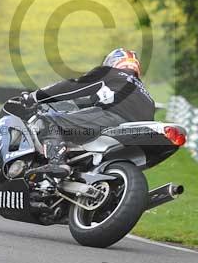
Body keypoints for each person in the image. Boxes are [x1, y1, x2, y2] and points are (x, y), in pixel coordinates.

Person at [20, 48, 155, 177]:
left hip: (112, 120)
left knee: (48, 120)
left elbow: (73, 87)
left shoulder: (110, 73)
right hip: (137, 135)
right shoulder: (145, 93)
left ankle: (56, 162)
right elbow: (88, 103)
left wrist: (35, 97)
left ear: (113, 61)